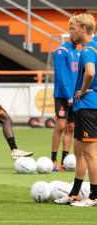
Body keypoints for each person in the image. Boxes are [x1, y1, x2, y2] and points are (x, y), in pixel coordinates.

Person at [65, 13, 97, 207]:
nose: (70, 32)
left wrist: (83, 90)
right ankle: (75, 194)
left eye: (73, 28)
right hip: (89, 106)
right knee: (81, 152)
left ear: (83, 29)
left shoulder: (86, 50)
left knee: (90, 154)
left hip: (87, 106)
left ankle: (94, 196)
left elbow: (90, 72)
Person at [50, 34, 80, 172]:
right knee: (60, 126)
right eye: (73, 30)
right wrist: (69, 96)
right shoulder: (61, 51)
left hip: (75, 96)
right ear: (70, 33)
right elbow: (61, 76)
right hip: (63, 96)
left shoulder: (78, 52)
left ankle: (64, 161)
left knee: (70, 128)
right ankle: (53, 160)